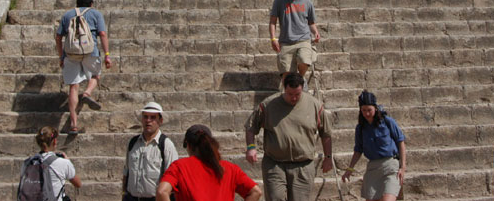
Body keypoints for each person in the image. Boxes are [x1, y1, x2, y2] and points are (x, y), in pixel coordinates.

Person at [245, 72, 332, 201]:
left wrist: (328, 157)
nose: (294, 98)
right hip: (274, 164)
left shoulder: (315, 106)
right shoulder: (268, 105)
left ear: (302, 89)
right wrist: (251, 147)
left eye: (297, 94)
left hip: (303, 165)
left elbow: (326, 134)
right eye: (290, 94)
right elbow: (251, 127)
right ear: (284, 89)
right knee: (276, 197)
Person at [157, 124, 262, 201]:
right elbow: (255, 191)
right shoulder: (230, 168)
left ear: (188, 145)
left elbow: (162, 192)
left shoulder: (179, 166)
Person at [55, 0, 111, 134]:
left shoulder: (68, 15)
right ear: (91, 4)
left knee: (73, 86)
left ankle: (73, 124)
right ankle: (86, 93)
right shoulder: (96, 14)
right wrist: (107, 55)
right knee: (95, 76)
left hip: (71, 53)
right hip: (90, 51)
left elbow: (58, 36)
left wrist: (61, 56)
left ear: (77, 3)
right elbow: (102, 34)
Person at [342, 91, 407, 201]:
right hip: (373, 168)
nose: (366, 113)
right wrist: (349, 169)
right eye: (363, 110)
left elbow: (401, 142)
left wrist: (403, 167)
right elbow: (358, 150)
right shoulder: (360, 128)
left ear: (375, 108)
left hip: (391, 166)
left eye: (369, 110)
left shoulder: (387, 121)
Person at [123, 102, 179, 201]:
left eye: (153, 117)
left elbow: (172, 178)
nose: (148, 121)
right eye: (145, 117)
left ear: (160, 121)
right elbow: (126, 172)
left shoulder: (166, 145)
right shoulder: (133, 143)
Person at [269, 0, 319, 82]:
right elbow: (273, 22)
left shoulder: (308, 2)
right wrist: (273, 39)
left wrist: (315, 32)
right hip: (286, 42)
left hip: (304, 39)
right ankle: (293, 85)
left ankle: (300, 80)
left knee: (304, 60)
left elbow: (311, 22)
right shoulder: (279, 1)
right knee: (286, 74)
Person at [19, 126, 81, 201]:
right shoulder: (63, 162)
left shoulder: (27, 163)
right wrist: (68, 162)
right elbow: (78, 184)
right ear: (54, 141)